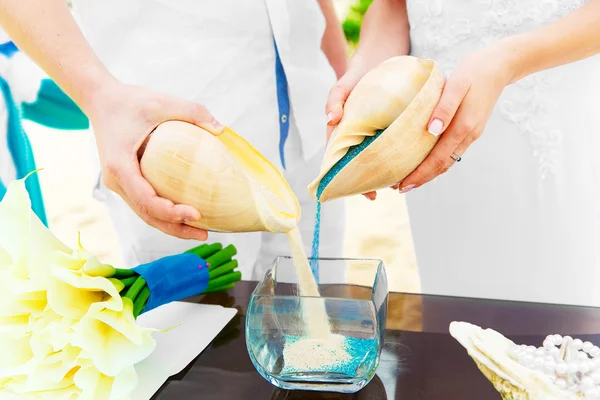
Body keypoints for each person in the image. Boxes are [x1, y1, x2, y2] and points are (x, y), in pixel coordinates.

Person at [0, 0, 348, 280]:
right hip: (174, 157)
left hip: (311, 128)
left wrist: (343, 82)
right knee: (202, 352)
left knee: (322, 327)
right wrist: (100, 98)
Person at [326, 0, 600, 307]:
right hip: (433, 139)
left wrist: (509, 60)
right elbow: (393, 7)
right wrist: (368, 71)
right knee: (456, 319)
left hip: (549, 131)